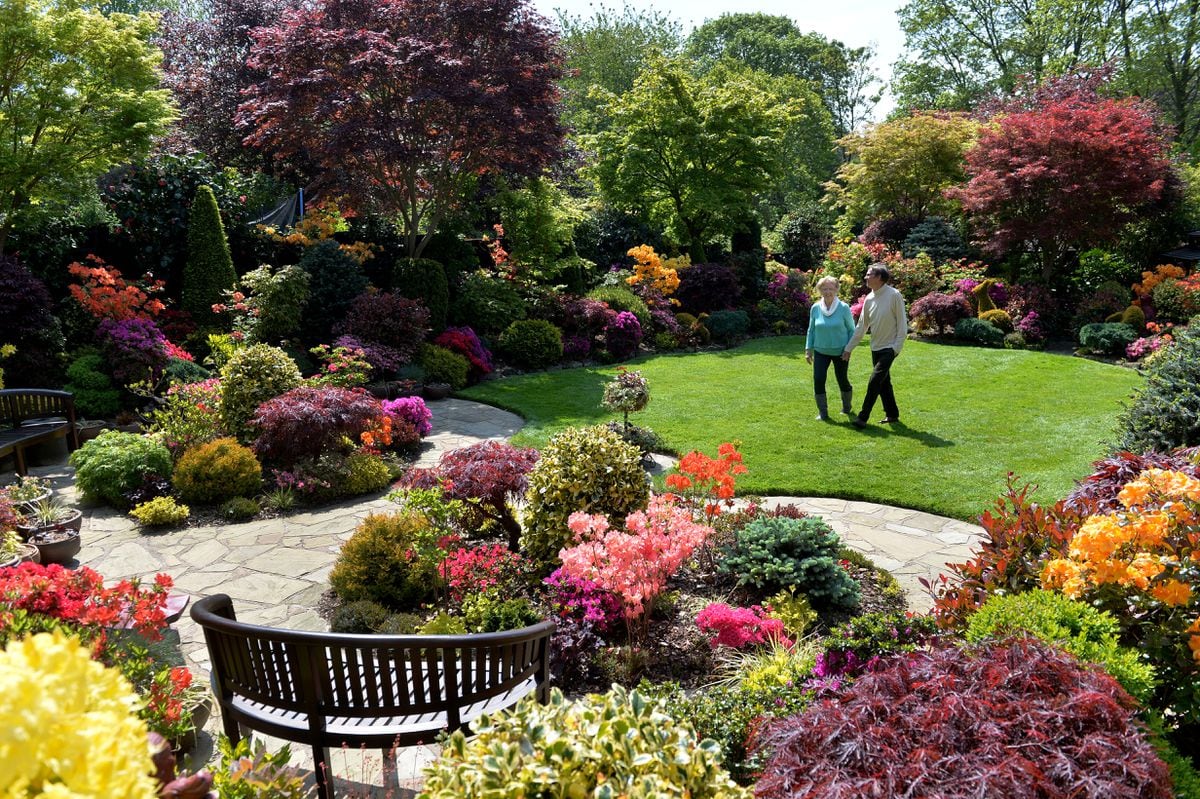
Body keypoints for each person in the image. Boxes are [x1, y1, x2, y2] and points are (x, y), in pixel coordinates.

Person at [842, 264, 907, 428]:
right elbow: (862, 327)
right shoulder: (869, 298)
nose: (866, 277)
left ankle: (862, 418)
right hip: (875, 348)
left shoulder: (894, 295)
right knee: (884, 383)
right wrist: (849, 348)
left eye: (869, 274)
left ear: (879, 277)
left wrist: (896, 348)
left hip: (889, 348)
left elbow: (902, 325)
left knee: (874, 381)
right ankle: (892, 414)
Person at [805, 275, 856, 421]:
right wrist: (808, 349)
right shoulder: (815, 308)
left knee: (842, 379)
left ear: (836, 289)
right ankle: (823, 413)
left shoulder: (843, 308)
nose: (827, 292)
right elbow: (811, 330)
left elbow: (852, 330)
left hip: (841, 352)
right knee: (819, 379)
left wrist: (848, 349)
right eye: (824, 289)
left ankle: (846, 407)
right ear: (820, 290)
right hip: (821, 351)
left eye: (831, 288)